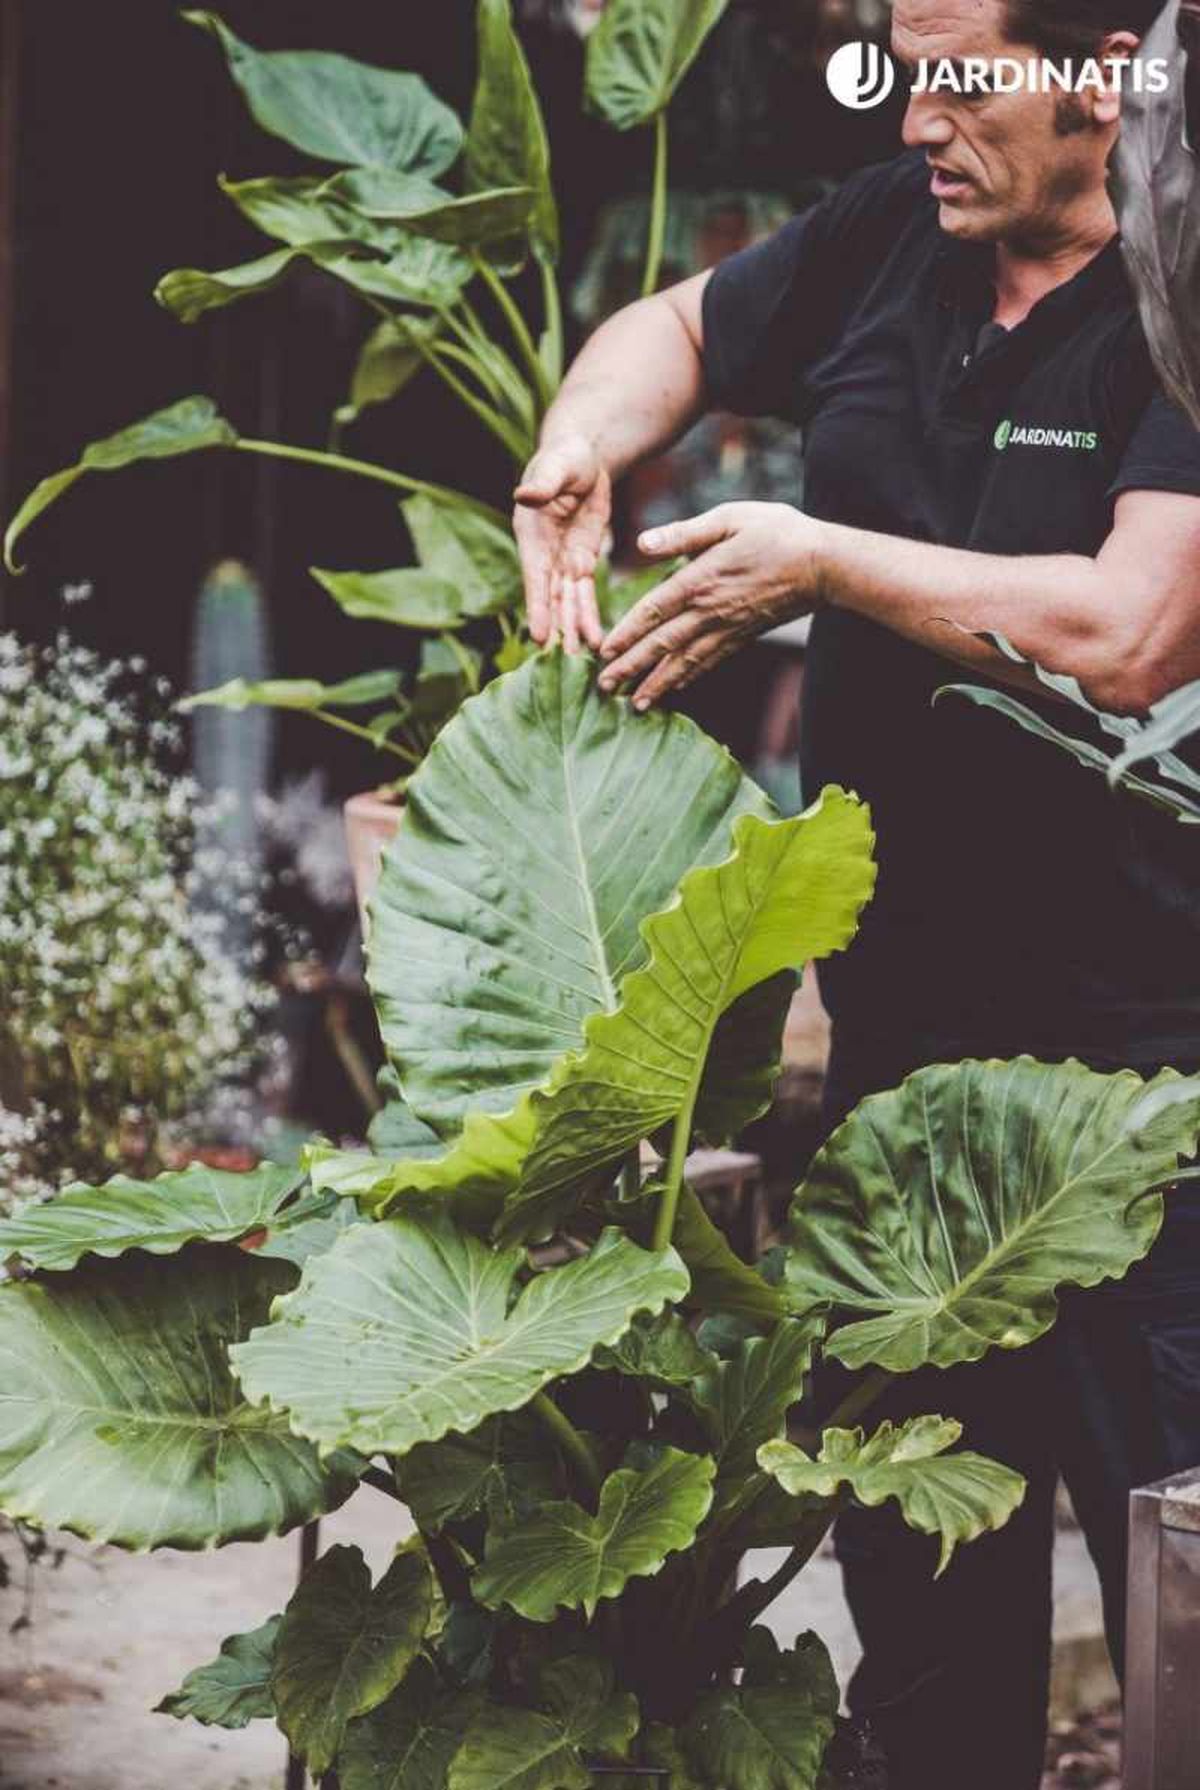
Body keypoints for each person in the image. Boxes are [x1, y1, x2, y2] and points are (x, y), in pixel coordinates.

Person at [512, 1, 1200, 1785]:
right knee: (924, 1669)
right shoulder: (900, 226)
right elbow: (675, 326)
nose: (922, 114)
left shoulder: (1184, 297)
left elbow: (1131, 633)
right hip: (899, 1098)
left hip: (1148, 1118)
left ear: (1106, 69)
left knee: (1184, 1642)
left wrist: (816, 562)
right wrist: (585, 440)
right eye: (904, 69)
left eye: (963, 72)